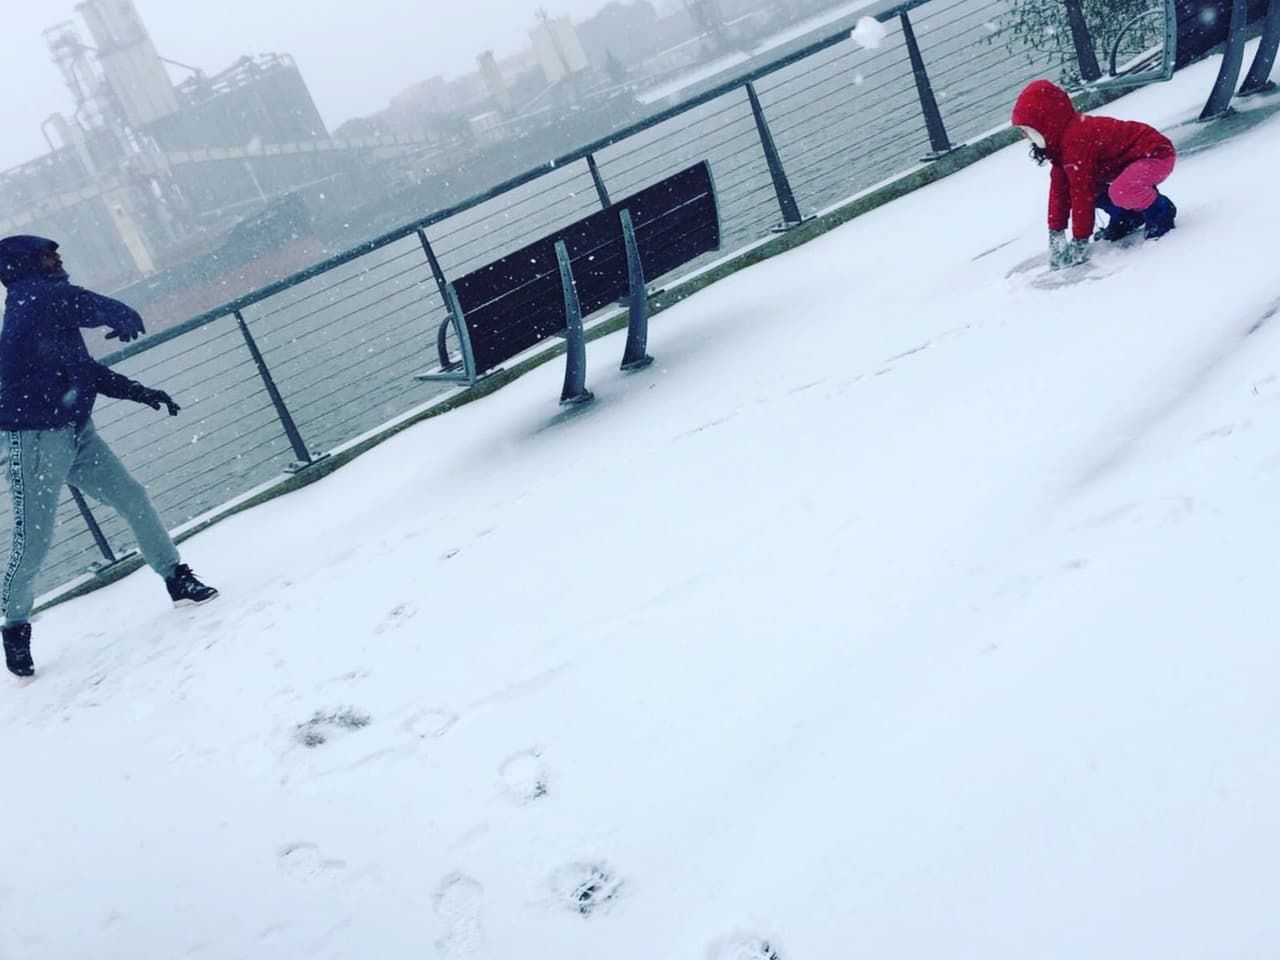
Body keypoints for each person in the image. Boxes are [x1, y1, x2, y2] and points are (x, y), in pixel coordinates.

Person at [0, 235, 217, 679]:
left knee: (133, 498)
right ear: (26, 265)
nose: (58, 259)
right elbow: (76, 301)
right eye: (48, 255)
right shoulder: (30, 302)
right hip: (35, 440)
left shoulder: (47, 309)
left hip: (77, 432)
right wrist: (119, 312)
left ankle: (175, 576)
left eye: (57, 253)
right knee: (34, 540)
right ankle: (14, 626)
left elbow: (85, 371)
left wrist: (141, 392)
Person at [1011, 79, 1177, 271]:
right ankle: (1127, 217)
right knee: (1092, 189)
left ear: (1046, 125)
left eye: (1028, 130)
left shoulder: (1077, 141)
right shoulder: (1060, 147)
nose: (1025, 136)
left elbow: (1082, 194)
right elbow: (1059, 192)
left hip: (1156, 154)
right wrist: (1056, 233)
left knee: (1121, 191)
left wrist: (1080, 241)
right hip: (1129, 165)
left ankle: (1161, 212)